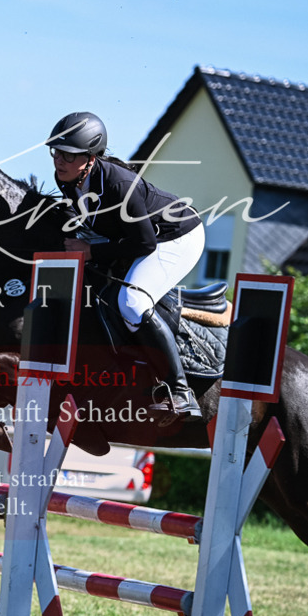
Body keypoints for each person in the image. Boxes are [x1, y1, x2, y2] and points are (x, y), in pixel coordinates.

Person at [47, 111, 205, 423]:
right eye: (56, 152)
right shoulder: (66, 179)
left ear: (90, 159)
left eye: (68, 155)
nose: (59, 161)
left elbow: (144, 244)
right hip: (139, 238)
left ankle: (180, 392)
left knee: (132, 302)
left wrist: (90, 251)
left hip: (177, 237)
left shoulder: (120, 186)